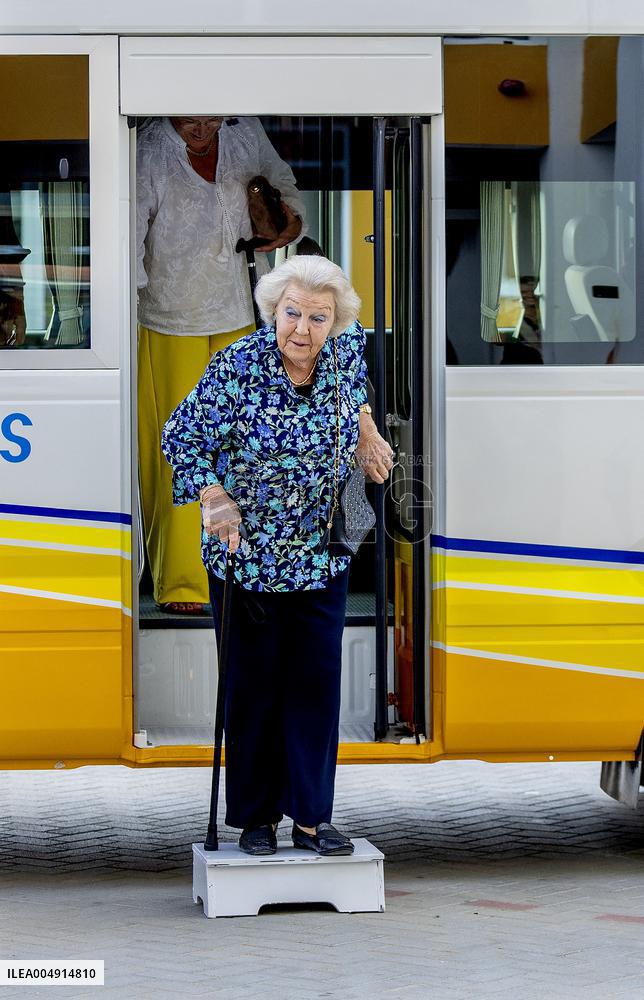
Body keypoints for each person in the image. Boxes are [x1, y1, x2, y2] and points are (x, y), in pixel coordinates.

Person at [161, 255, 394, 856]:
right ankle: (257, 818)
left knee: (316, 688)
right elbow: (179, 436)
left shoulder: (343, 354)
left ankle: (313, 817)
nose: (303, 329)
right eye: (293, 313)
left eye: (318, 318)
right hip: (249, 559)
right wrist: (213, 499)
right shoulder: (236, 366)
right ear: (273, 311)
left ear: (334, 322)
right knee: (254, 688)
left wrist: (366, 431)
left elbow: (357, 391)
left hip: (322, 555)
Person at [137, 115, 306, 613]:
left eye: (211, 117)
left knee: (244, 448)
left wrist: (287, 221)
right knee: (175, 449)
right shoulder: (149, 147)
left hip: (240, 308)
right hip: (168, 318)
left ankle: (242, 569)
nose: (201, 127)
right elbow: (126, 235)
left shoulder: (244, 130)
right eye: (190, 118)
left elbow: (285, 185)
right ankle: (183, 582)